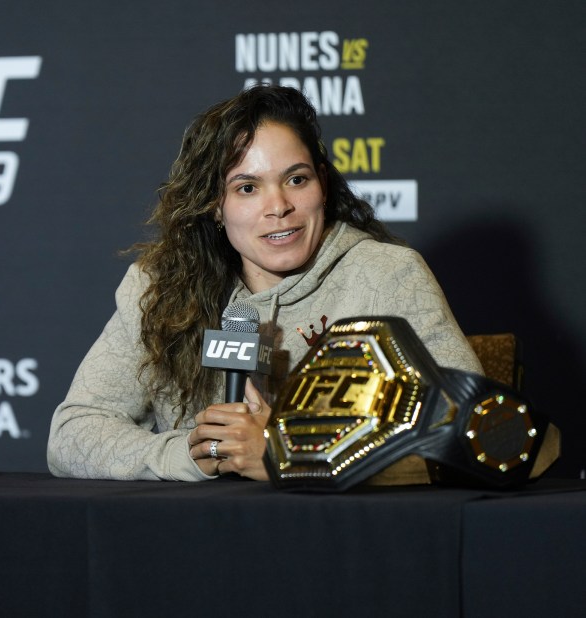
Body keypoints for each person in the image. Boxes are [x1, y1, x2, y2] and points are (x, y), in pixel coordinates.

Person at [47, 85, 482, 482]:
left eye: (297, 179)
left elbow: (469, 431)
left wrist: (289, 452)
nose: (279, 206)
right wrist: (190, 453)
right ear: (215, 206)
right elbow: (72, 435)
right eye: (247, 187)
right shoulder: (158, 286)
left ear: (322, 186)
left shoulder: (387, 276)